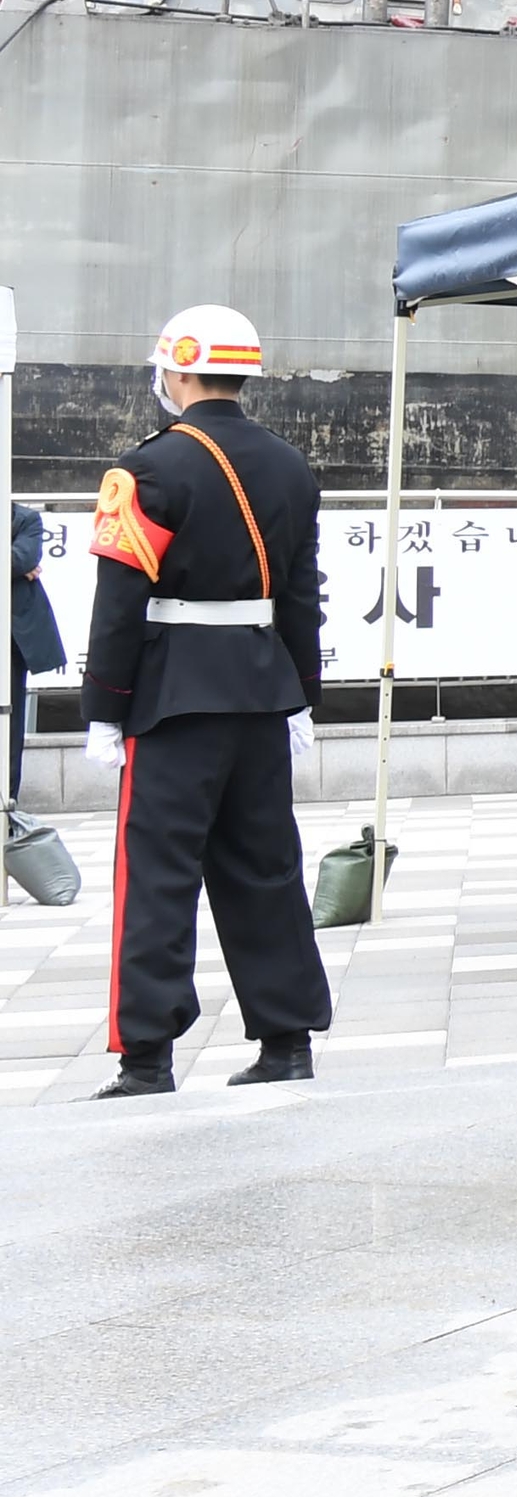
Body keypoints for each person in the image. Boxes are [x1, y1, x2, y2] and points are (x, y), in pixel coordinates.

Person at [82, 306, 332, 1096]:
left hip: (173, 697)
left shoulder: (148, 469)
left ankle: (147, 1054)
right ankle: (285, 1040)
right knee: (266, 868)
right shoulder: (291, 464)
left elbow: (119, 602)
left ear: (177, 372)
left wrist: (102, 706)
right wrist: (302, 698)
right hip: (263, 690)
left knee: (156, 874)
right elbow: (300, 598)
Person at [12, 499, 57, 798]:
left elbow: (22, 558)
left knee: (10, 725)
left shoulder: (25, 519)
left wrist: (17, 565)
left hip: (10, 644)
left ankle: (7, 803)